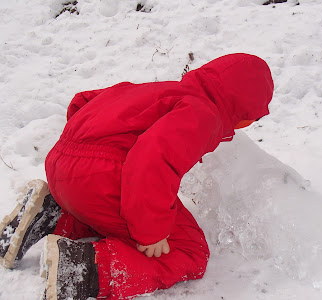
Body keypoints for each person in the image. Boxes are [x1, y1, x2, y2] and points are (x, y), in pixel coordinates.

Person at [0, 53, 274, 300]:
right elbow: (152, 160)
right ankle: (81, 269)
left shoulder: (159, 90)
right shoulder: (204, 113)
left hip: (62, 162)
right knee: (189, 251)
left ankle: (52, 216)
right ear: (245, 110)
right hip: (102, 176)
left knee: (114, 213)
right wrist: (151, 232)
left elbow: (82, 101)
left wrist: (78, 161)